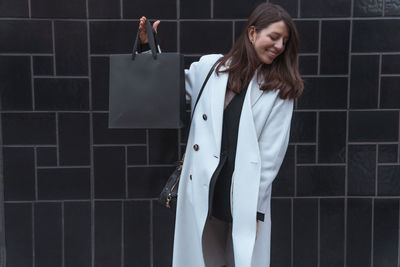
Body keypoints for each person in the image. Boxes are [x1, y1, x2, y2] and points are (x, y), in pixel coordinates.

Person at [138, 3, 303, 267]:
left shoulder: (280, 91)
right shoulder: (210, 67)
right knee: (202, 259)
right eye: (274, 37)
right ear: (252, 33)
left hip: (241, 193)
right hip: (204, 186)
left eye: (285, 41)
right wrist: (150, 49)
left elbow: (270, 158)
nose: (280, 46)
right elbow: (170, 90)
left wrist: (256, 213)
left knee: (240, 258)